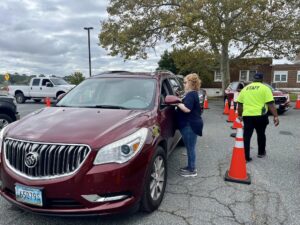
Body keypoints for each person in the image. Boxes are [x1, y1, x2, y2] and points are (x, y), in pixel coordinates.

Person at [237, 72, 279, 162]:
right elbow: (270, 104)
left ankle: (246, 156)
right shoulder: (265, 88)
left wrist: (240, 115)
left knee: (247, 136)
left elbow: (240, 104)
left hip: (247, 116)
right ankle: (261, 152)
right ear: (262, 79)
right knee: (261, 134)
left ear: (253, 79)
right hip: (261, 116)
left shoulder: (245, 89)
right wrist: (275, 116)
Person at [176, 73, 203, 177]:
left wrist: (178, 103)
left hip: (190, 125)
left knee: (190, 148)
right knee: (189, 147)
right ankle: (189, 166)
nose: (184, 84)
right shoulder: (192, 93)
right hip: (191, 124)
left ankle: (192, 170)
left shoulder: (191, 94)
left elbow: (187, 109)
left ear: (191, 83)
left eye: (185, 82)